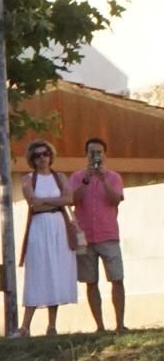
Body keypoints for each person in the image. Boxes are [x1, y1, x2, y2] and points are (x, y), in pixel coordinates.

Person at [16, 140, 79, 338]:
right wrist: (52, 202)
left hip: (58, 226)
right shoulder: (27, 179)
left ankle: (52, 326)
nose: (42, 158)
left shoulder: (60, 177)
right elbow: (33, 203)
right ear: (32, 159)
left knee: (55, 271)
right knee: (37, 272)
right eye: (37, 155)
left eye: (45, 154)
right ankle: (25, 326)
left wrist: (46, 201)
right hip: (39, 227)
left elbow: (69, 199)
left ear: (51, 156)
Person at [70, 136, 126, 332]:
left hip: (108, 234)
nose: (96, 156)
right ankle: (100, 326)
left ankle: (120, 324)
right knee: (91, 282)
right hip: (85, 236)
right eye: (92, 152)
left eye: (99, 152)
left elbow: (115, 200)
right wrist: (86, 180)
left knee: (117, 278)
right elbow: (72, 200)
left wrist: (103, 179)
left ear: (105, 154)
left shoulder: (114, 177)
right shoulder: (77, 177)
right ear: (86, 154)